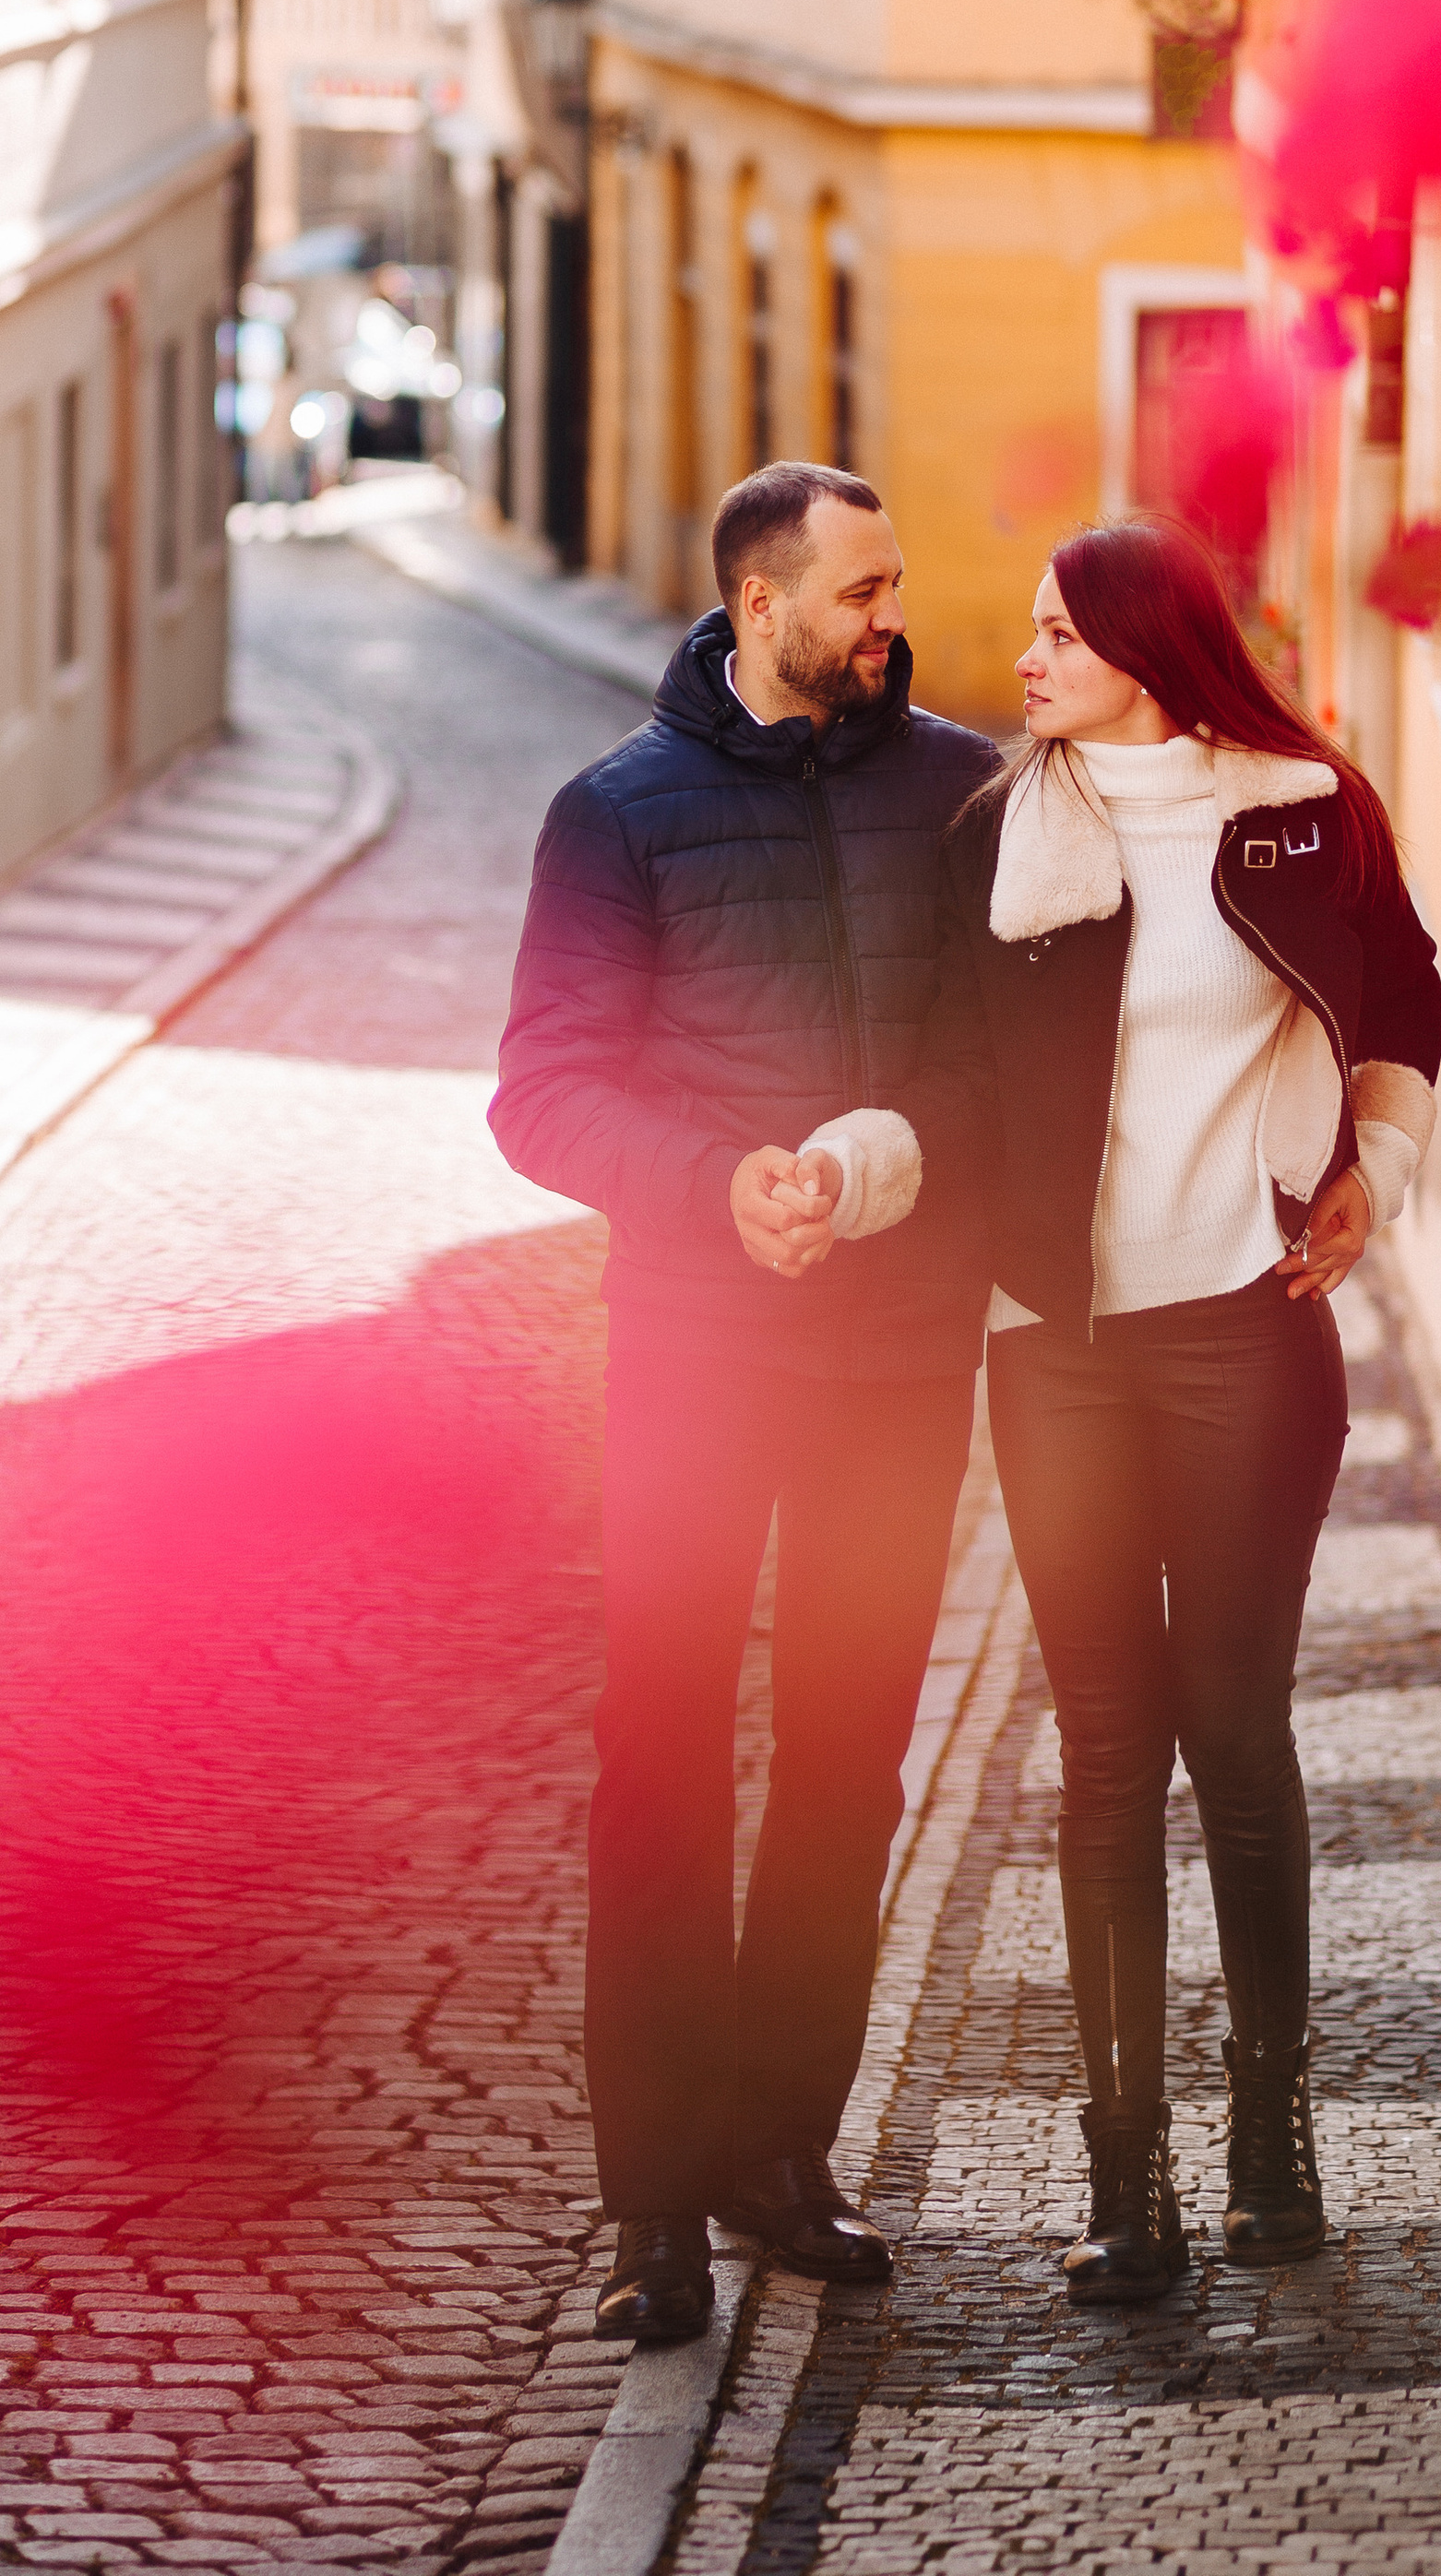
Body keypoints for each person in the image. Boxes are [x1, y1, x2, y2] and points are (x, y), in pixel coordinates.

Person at [491, 463, 998, 2347]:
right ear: (761, 602)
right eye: (858, 589)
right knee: (663, 1770)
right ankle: (651, 2214)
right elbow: (539, 1091)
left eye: (891, 585)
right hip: (698, 1352)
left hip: (897, 1354)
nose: (887, 616)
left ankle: (781, 2154)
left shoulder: (961, 793)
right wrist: (720, 1183)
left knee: (847, 1766)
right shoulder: (615, 815)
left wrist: (877, 1168)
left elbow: (1007, 1057)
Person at [935, 517, 1441, 2299]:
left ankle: (1271, 2138)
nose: (1025, 661)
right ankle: (1121, 2175)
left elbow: (1407, 993)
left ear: (1150, 646)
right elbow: (934, 1070)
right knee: (1102, 1752)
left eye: (1056, 633)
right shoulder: (1004, 837)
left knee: (1233, 1731)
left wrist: (1372, 1164)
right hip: (1055, 1345)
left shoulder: (1305, 806)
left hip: (1243, 1330)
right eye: (1028, 632)